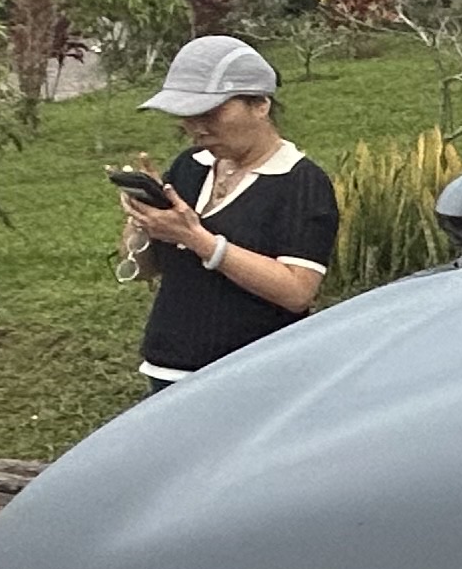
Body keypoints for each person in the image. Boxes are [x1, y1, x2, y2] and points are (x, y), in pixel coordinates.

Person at [116, 35, 340, 386]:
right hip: (167, 368)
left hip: (249, 379)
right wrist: (144, 221)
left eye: (211, 113)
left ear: (260, 104)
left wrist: (198, 239)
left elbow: (297, 293)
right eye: (187, 116)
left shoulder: (300, 183)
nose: (197, 128)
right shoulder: (190, 167)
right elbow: (144, 271)